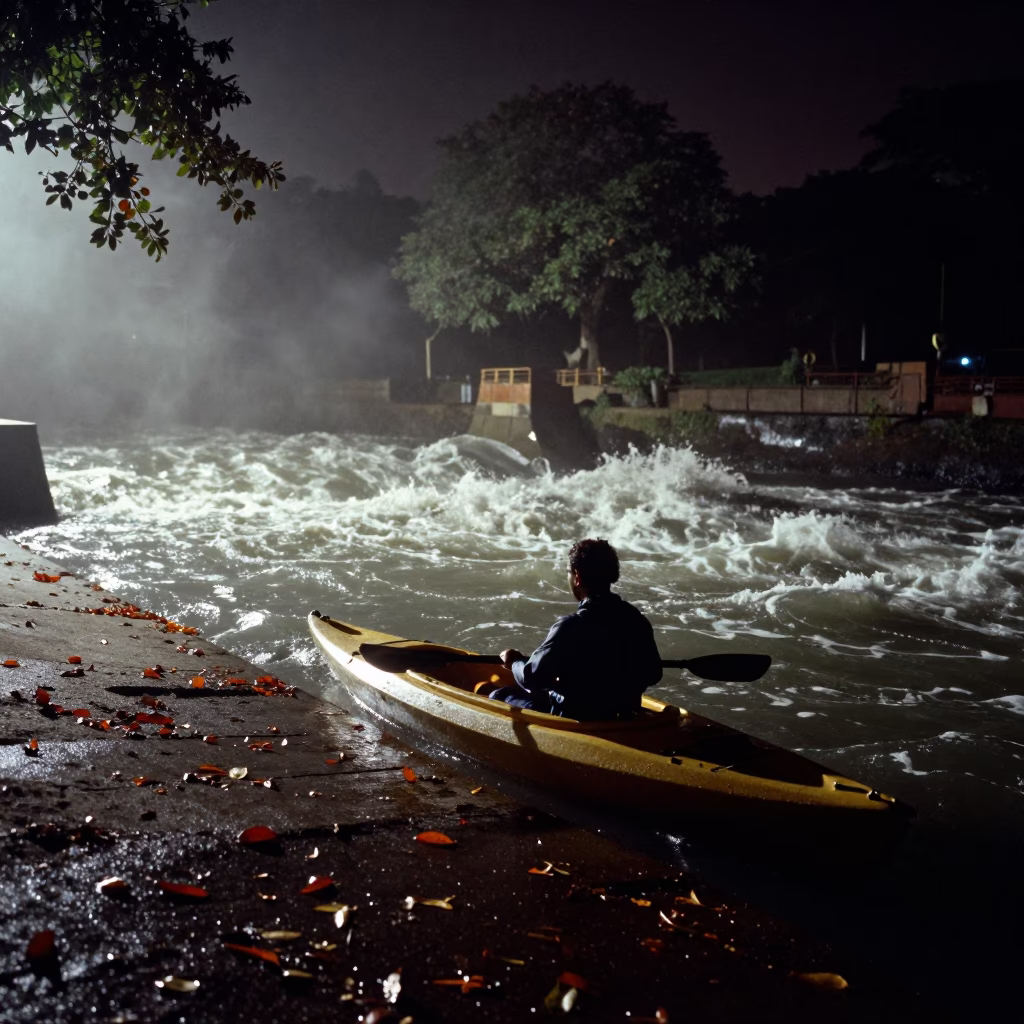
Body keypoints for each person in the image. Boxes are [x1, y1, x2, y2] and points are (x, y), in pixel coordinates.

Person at [484, 538, 662, 720]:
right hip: (624, 715)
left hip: (575, 718)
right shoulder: (637, 620)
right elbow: (654, 674)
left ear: (577, 577)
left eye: (569, 573)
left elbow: (532, 678)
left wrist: (513, 662)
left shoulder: (571, 626)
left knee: (498, 695)